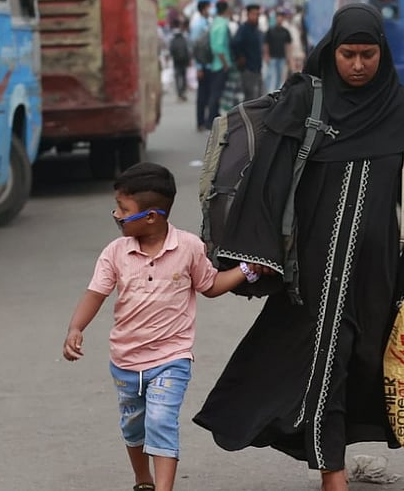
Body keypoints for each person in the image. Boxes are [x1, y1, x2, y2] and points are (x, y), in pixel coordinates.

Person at [194, 3, 404, 491]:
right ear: (332, 51)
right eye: (348, 54)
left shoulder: (401, 109)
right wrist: (258, 258)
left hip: (375, 271)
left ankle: (330, 456)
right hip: (309, 268)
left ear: (383, 53)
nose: (357, 65)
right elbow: (267, 184)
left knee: (355, 359)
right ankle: (333, 472)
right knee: (318, 358)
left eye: (368, 55)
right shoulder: (306, 104)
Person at [62, 163, 265, 491]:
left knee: (160, 421)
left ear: (152, 216)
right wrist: (76, 328)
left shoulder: (188, 248)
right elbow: (95, 293)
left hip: (171, 359)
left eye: (124, 209)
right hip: (125, 361)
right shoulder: (115, 253)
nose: (116, 214)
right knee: (133, 427)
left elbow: (210, 285)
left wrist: (245, 271)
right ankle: (144, 480)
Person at [205, 0, 235, 124]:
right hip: (221, 64)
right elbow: (218, 47)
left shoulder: (215, 22)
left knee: (215, 93)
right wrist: (225, 64)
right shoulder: (222, 25)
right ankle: (211, 120)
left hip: (215, 64)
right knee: (217, 94)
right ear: (226, 10)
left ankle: (212, 118)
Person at [233, 4, 265, 99]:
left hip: (257, 68)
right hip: (248, 69)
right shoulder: (243, 29)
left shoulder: (256, 30)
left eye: (258, 14)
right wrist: (240, 57)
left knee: (259, 95)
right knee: (250, 97)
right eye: (254, 14)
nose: (256, 17)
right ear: (248, 14)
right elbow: (235, 43)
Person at [191, 0, 213, 131]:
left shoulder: (207, 23)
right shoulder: (198, 25)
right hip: (203, 66)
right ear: (204, 9)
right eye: (209, 7)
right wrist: (198, 67)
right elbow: (195, 47)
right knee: (202, 95)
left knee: (208, 93)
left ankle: (206, 120)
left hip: (209, 64)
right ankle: (200, 122)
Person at [264, 8, 293, 91]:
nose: (280, 19)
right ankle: (268, 92)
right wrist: (266, 55)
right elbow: (266, 44)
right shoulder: (270, 30)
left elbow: (288, 45)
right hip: (272, 56)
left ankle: (276, 92)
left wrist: (289, 57)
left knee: (280, 76)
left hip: (282, 56)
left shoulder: (286, 31)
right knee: (270, 75)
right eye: (278, 17)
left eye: (281, 17)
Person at [168, 19, 191, 102]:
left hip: (176, 60)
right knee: (184, 76)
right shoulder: (184, 37)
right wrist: (189, 60)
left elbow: (170, 49)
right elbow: (187, 49)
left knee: (177, 77)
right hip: (184, 60)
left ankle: (179, 93)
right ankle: (182, 92)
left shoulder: (172, 36)